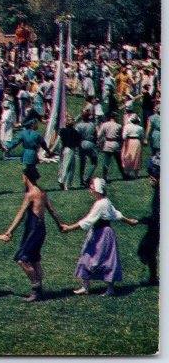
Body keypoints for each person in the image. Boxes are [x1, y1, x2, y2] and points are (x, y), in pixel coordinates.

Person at [60, 178, 138, 297]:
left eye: (92, 186)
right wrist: (129, 221)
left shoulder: (101, 204)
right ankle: (85, 287)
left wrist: (69, 228)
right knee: (87, 256)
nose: (90, 188)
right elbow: (116, 213)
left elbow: (88, 221)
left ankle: (110, 289)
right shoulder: (105, 201)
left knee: (106, 260)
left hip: (103, 235)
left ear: (97, 189)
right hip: (97, 233)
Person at [3, 168, 64, 302]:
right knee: (35, 259)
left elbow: (20, 214)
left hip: (33, 229)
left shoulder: (30, 194)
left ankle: (36, 288)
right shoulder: (42, 192)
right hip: (41, 228)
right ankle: (39, 290)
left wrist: (10, 231)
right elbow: (51, 210)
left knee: (22, 259)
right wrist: (60, 224)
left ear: (26, 177)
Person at [138, 158, 160, 286]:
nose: (149, 179)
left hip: (157, 226)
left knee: (147, 248)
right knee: (146, 248)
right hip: (155, 225)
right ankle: (153, 277)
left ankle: (153, 278)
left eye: (152, 177)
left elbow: (158, 215)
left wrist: (141, 220)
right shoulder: (158, 190)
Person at [50, 116, 82, 191]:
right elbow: (78, 143)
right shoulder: (75, 132)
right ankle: (63, 182)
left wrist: (52, 150)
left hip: (64, 149)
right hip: (71, 150)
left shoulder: (63, 130)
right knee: (69, 168)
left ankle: (64, 183)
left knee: (66, 166)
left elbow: (58, 141)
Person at [98, 111, 125, 181]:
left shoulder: (105, 125)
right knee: (119, 161)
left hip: (107, 143)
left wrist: (99, 140)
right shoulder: (119, 126)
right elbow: (120, 137)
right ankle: (124, 175)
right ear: (114, 117)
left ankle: (104, 176)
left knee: (106, 161)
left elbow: (99, 134)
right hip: (115, 144)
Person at [75, 111, 99, 187]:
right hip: (90, 143)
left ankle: (81, 180)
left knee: (82, 163)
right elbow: (96, 136)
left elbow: (76, 136)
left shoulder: (78, 126)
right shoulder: (92, 125)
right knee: (94, 162)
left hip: (82, 143)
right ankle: (87, 177)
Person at [120, 115, 145, 179]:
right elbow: (142, 137)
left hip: (129, 141)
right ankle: (136, 174)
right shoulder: (140, 128)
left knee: (128, 156)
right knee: (137, 157)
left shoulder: (127, 127)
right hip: (137, 142)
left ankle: (127, 172)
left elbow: (124, 136)